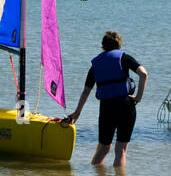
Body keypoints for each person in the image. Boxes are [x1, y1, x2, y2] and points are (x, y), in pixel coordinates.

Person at [61, 30, 147, 167]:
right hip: (126, 105)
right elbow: (144, 74)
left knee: (104, 148)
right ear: (119, 45)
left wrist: (77, 113)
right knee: (121, 150)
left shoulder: (96, 64)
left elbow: (86, 91)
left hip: (107, 107)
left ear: (103, 46)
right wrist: (138, 97)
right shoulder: (125, 58)